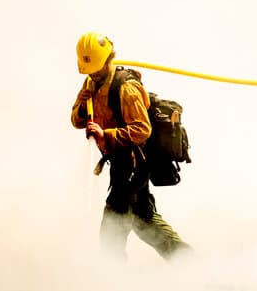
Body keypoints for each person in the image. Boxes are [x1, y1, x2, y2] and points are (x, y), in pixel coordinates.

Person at [71, 32, 190, 261]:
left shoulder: (126, 89)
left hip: (134, 163)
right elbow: (76, 121)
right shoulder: (90, 83)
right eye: (89, 70)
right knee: (145, 221)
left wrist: (104, 133)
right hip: (119, 163)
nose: (93, 74)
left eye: (97, 69)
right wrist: (83, 107)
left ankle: (113, 279)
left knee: (111, 232)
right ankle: (191, 265)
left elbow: (142, 130)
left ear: (108, 60)